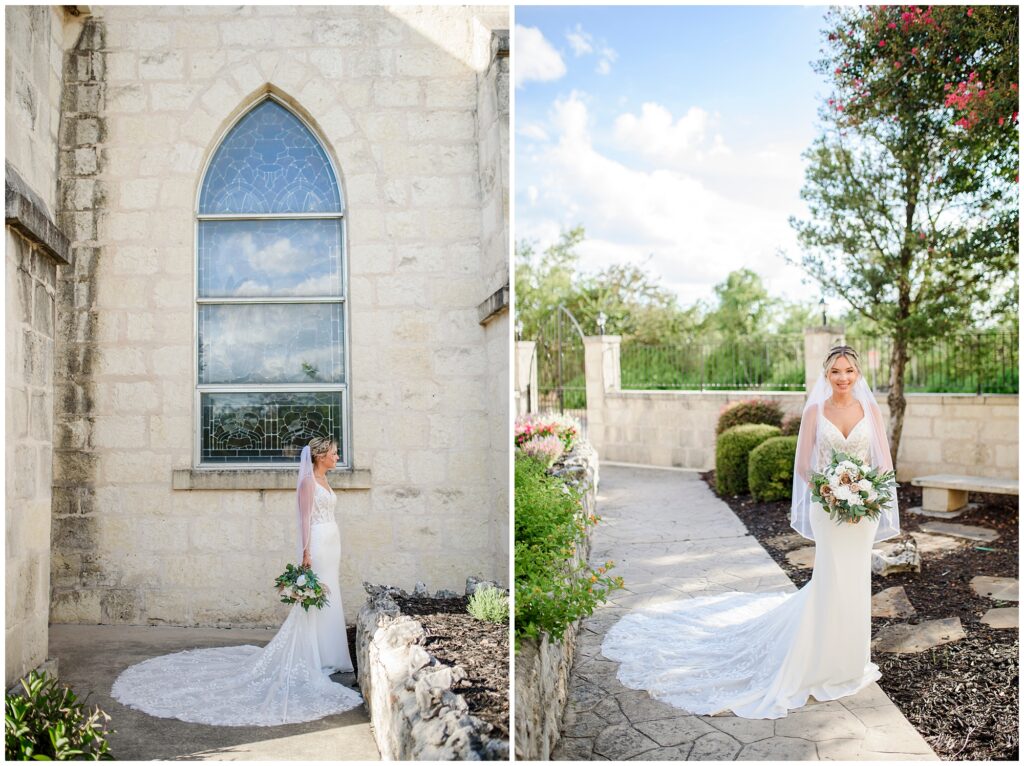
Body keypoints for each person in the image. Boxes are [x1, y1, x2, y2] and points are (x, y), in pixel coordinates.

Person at [600, 345, 899, 719]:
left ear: (858, 374)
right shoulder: (815, 411)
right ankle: (820, 663)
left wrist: (864, 492)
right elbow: (805, 465)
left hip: (863, 510)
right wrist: (833, 491)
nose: (843, 378)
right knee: (831, 580)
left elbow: (882, 462)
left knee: (855, 583)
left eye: (849, 371)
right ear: (826, 375)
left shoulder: (869, 409)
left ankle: (850, 664)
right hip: (829, 506)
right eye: (836, 371)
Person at [111, 437, 362, 726]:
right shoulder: (308, 483)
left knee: (331, 595)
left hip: (332, 542)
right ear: (319, 456)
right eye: (333, 453)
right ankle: (310, 653)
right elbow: (304, 519)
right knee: (316, 597)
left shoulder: (326, 480)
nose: (336, 456)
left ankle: (329, 653)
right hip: (317, 543)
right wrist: (305, 552)